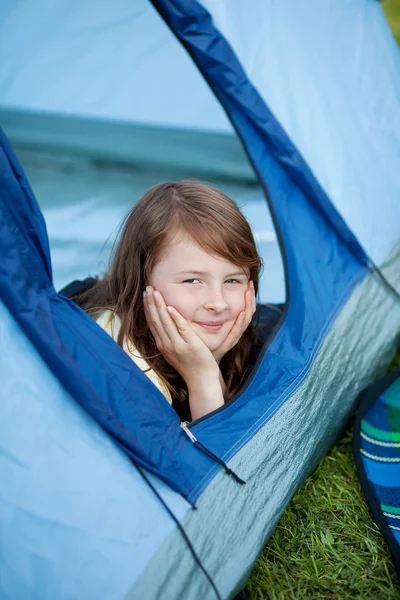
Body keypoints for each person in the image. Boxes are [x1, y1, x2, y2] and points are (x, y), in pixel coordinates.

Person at [77, 180, 262, 422]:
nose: (218, 303)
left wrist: (210, 362)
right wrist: (202, 378)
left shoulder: (211, 333)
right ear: (142, 280)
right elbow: (216, 456)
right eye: (193, 281)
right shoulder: (127, 373)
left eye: (233, 281)